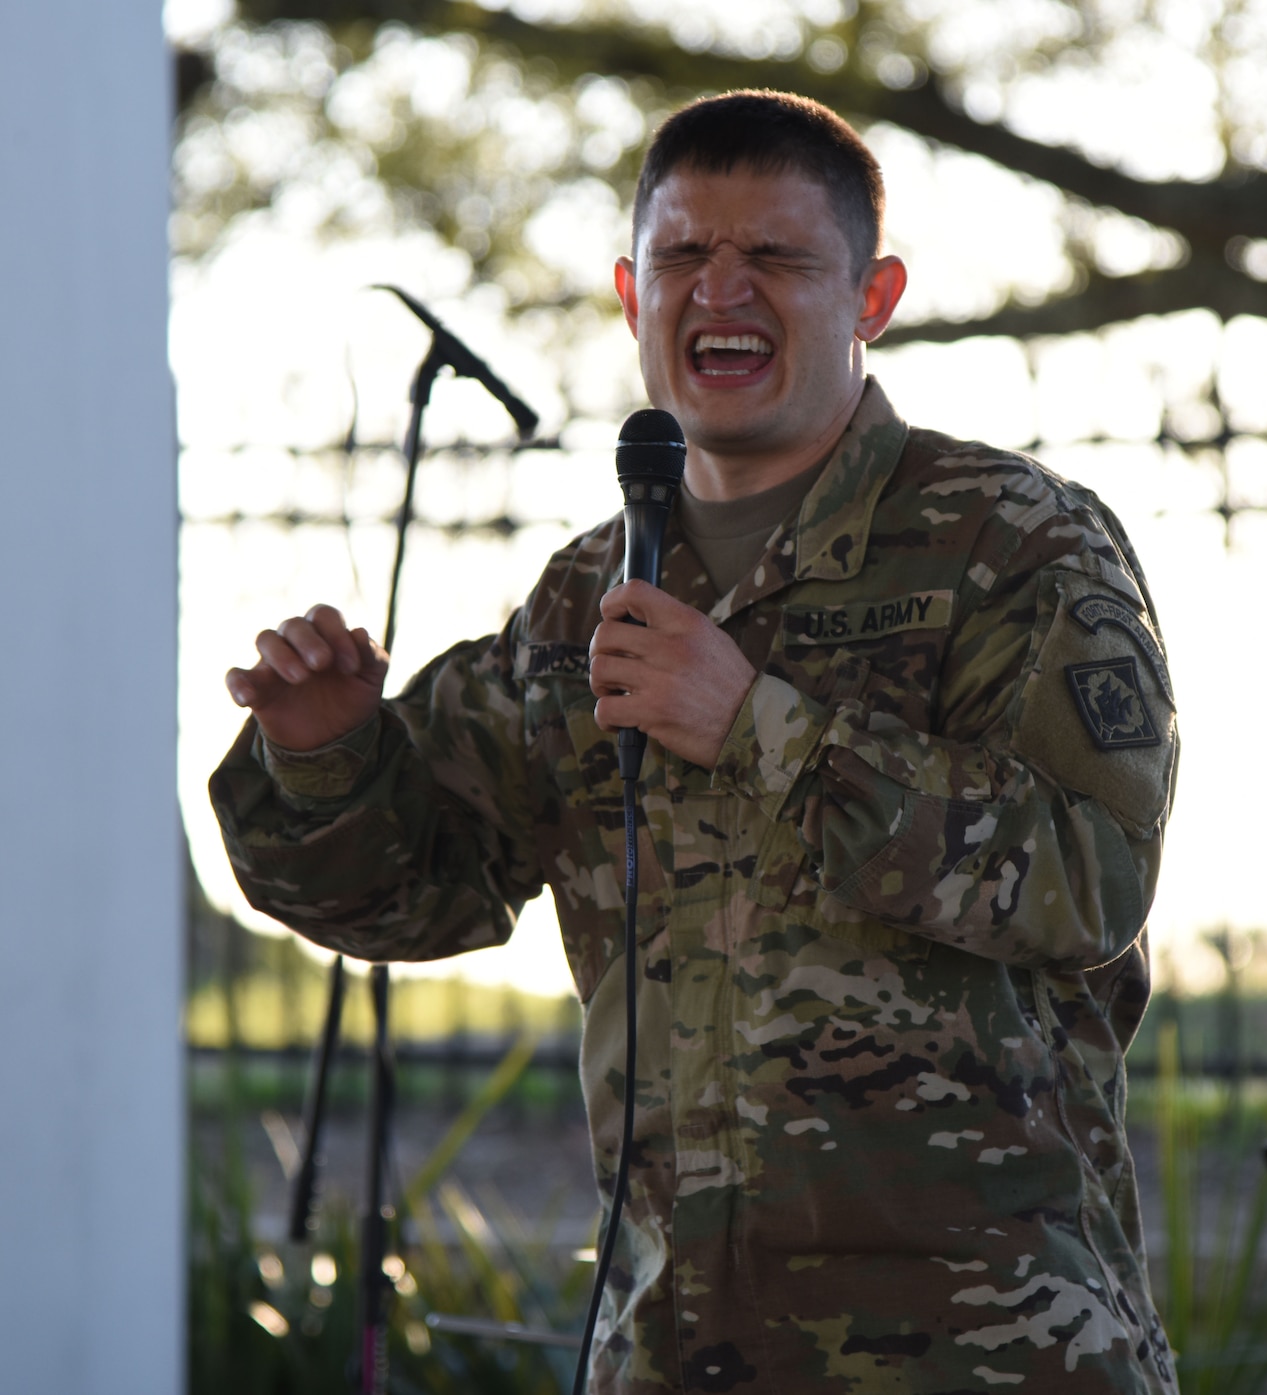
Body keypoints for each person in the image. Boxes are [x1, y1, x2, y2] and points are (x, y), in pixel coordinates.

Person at [210, 91, 1180, 1393]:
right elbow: (408, 890)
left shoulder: (1010, 541)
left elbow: (1089, 878)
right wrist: (325, 754)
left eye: (775, 256)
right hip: (681, 1349)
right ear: (630, 291)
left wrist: (759, 727)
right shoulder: (581, 597)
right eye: (683, 256)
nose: (722, 289)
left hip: (992, 1352)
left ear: (872, 294)